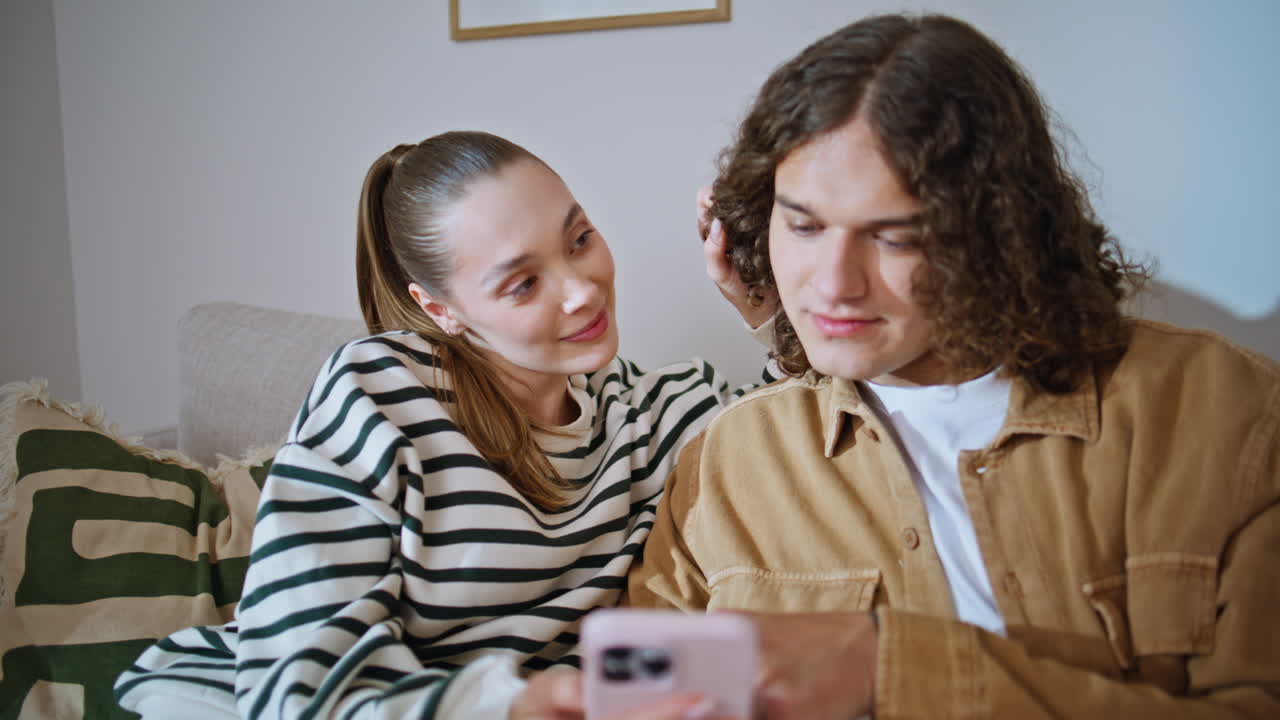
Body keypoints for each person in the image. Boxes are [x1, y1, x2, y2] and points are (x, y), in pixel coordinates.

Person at [627, 12, 1280, 719]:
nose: (833, 283)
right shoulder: (729, 462)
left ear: (997, 233)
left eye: (896, 236)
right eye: (805, 225)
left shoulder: (1228, 414)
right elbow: (635, 689)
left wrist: (895, 668)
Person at [115, 130, 777, 719]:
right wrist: (513, 703)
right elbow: (296, 680)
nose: (582, 289)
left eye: (580, 239)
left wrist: (766, 311)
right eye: (523, 283)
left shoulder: (644, 412)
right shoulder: (381, 394)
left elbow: (798, 449)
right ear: (441, 308)